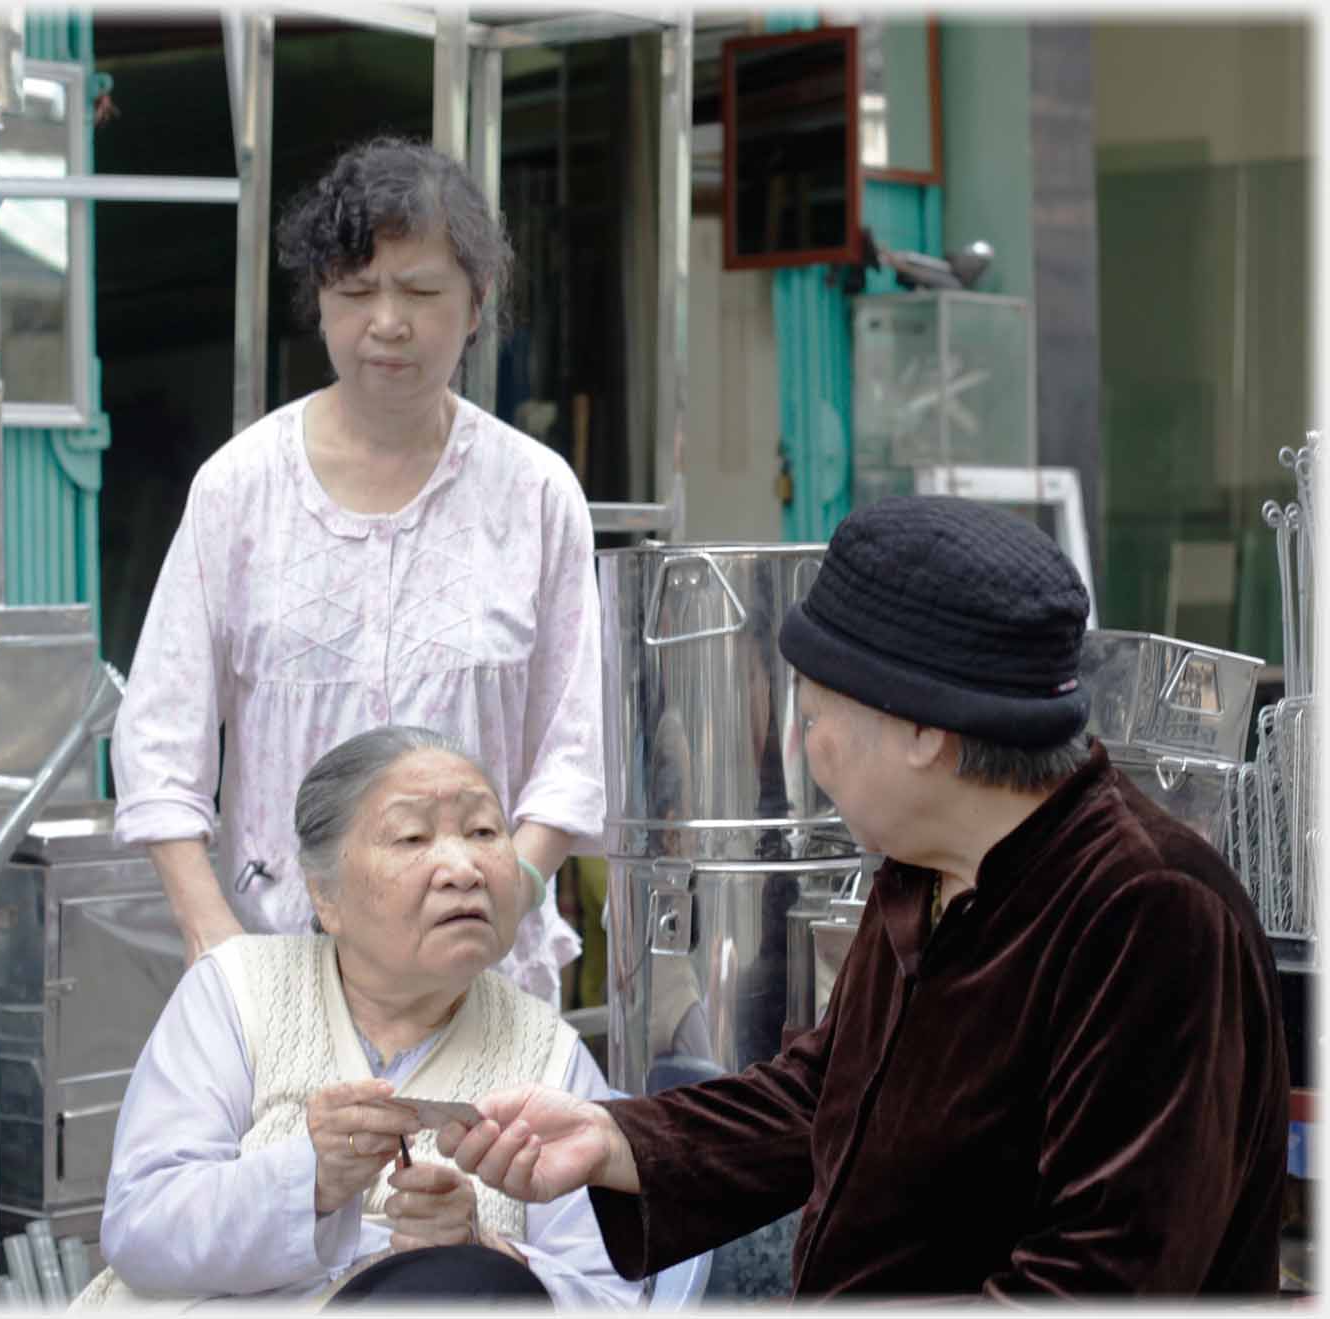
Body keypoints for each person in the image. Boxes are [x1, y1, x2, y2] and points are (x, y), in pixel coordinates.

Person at [437, 495, 1292, 1299]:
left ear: (925, 731)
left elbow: (1102, 1277)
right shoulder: (930, 863)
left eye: (815, 717)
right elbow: (827, 1093)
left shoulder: (1151, 914)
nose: (806, 752)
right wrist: (615, 1137)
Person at [109, 136, 601, 1003]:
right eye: (356, 291)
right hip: (281, 973)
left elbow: (572, 750)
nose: (388, 322)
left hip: (485, 982)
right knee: (298, 1148)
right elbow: (158, 743)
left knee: (490, 1147)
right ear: (320, 302)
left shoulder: (533, 493)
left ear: (477, 303)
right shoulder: (239, 489)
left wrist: (508, 896)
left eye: (420, 290)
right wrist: (210, 931)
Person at [76, 726, 641, 1309]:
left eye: (483, 831)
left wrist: (482, 1253)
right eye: (412, 837)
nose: (463, 868)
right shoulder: (236, 991)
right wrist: (312, 1182)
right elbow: (140, 1228)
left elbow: (613, 1296)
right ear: (325, 895)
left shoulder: (548, 1052)